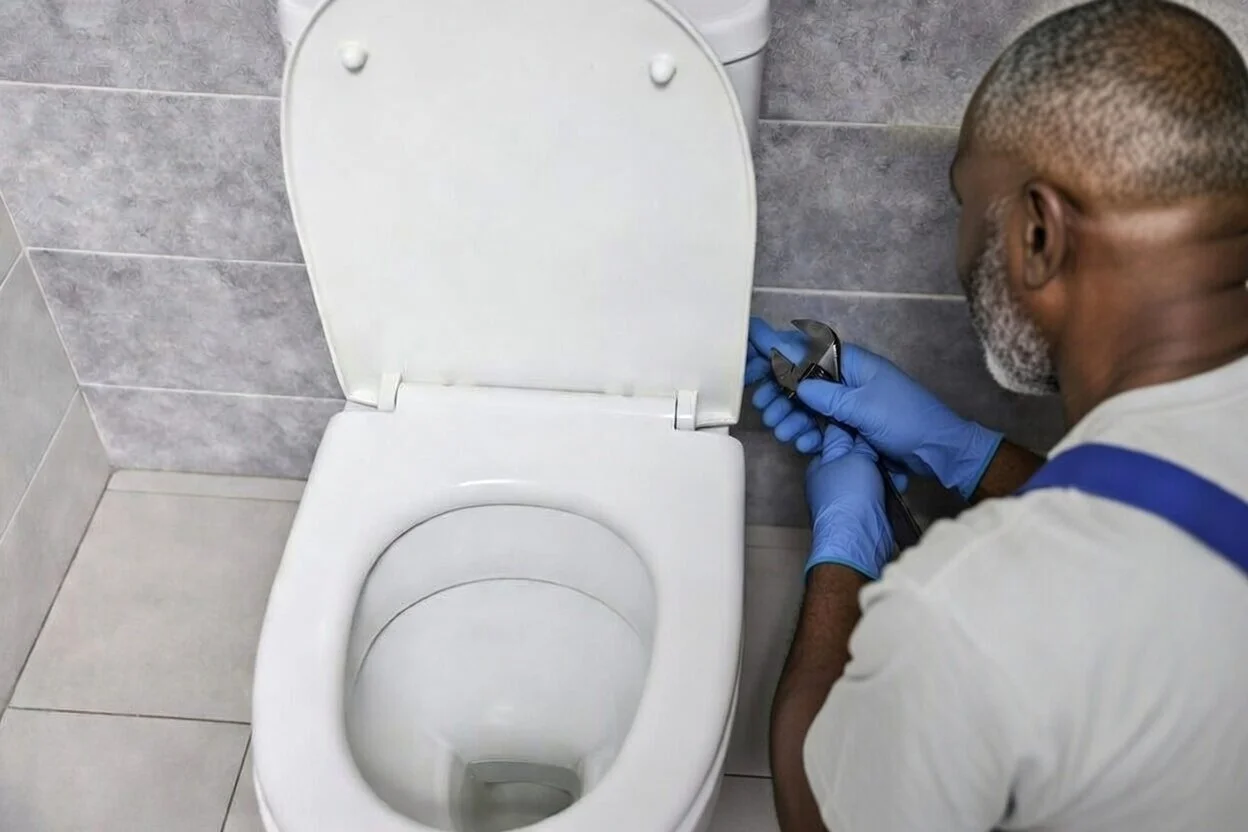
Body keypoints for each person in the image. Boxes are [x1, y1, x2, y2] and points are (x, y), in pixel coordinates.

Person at [742, 1, 1248, 830]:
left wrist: (842, 552)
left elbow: (817, 810)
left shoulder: (967, 616)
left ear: (1038, 236)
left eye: (966, 210)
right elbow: (1172, 527)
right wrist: (963, 452)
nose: (960, 252)